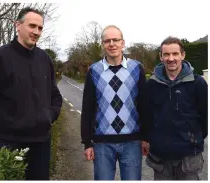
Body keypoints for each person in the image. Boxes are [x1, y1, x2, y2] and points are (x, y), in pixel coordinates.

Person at [0, 7, 62, 180]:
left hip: (41, 141)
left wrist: (49, 116)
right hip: (8, 141)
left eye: (40, 28)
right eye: (32, 26)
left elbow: (55, 95)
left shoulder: (44, 59)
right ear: (18, 25)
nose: (36, 32)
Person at [80, 25, 148, 180]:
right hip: (102, 143)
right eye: (107, 41)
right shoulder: (94, 71)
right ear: (103, 44)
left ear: (123, 43)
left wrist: (146, 137)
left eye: (115, 40)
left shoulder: (137, 68)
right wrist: (87, 143)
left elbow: (144, 106)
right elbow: (87, 108)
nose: (112, 44)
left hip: (132, 142)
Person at [144, 36, 208, 180]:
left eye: (175, 54)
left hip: (189, 156)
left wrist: (193, 138)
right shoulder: (151, 85)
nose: (170, 58)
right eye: (166, 54)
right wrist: (150, 139)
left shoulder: (198, 84)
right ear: (161, 57)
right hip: (160, 156)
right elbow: (147, 116)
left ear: (182, 55)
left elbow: (205, 118)